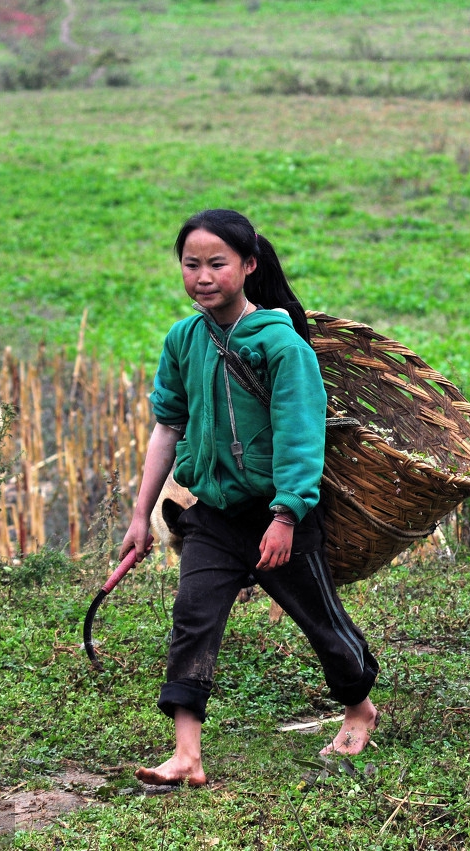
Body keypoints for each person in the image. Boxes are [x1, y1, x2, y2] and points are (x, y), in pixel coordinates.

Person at [119, 209, 378, 786]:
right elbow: (167, 426)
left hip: (279, 514)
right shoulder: (184, 340)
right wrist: (141, 514)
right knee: (193, 617)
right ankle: (187, 755)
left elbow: (300, 435)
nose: (203, 276)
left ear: (249, 266)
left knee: (321, 623)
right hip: (212, 515)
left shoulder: (282, 346)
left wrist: (286, 514)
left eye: (217, 263)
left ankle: (359, 706)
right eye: (191, 265)